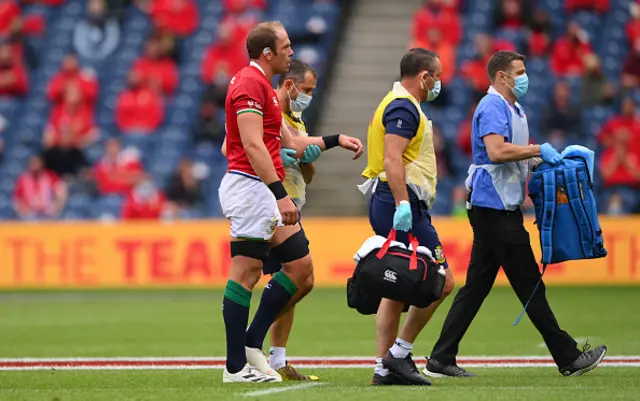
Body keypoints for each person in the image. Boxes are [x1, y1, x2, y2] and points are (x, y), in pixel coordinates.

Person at [424, 50, 607, 378]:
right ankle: (567, 356)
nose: (525, 77)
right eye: (519, 72)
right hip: (494, 206)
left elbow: (509, 152)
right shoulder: (494, 106)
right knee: (529, 283)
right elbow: (496, 151)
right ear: (501, 77)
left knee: (478, 285)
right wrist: (538, 150)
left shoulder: (513, 108)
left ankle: (441, 356)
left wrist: (537, 161)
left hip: (495, 205)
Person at [219, 21, 362, 384]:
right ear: (267, 53)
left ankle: (253, 343)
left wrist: (336, 139)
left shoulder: (262, 87)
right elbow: (251, 146)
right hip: (252, 188)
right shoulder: (250, 84)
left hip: (261, 190)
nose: (291, 51)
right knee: (247, 273)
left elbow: (295, 143)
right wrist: (281, 195)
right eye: (285, 46)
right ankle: (235, 367)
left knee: (300, 267)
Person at [358, 48, 455, 386]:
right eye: (437, 76)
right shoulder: (403, 107)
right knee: (441, 281)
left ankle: (384, 368)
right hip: (401, 201)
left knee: (396, 285)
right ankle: (397, 355)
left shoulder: (395, 102)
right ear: (424, 76)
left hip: (394, 199)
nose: (439, 83)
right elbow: (392, 159)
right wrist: (402, 205)